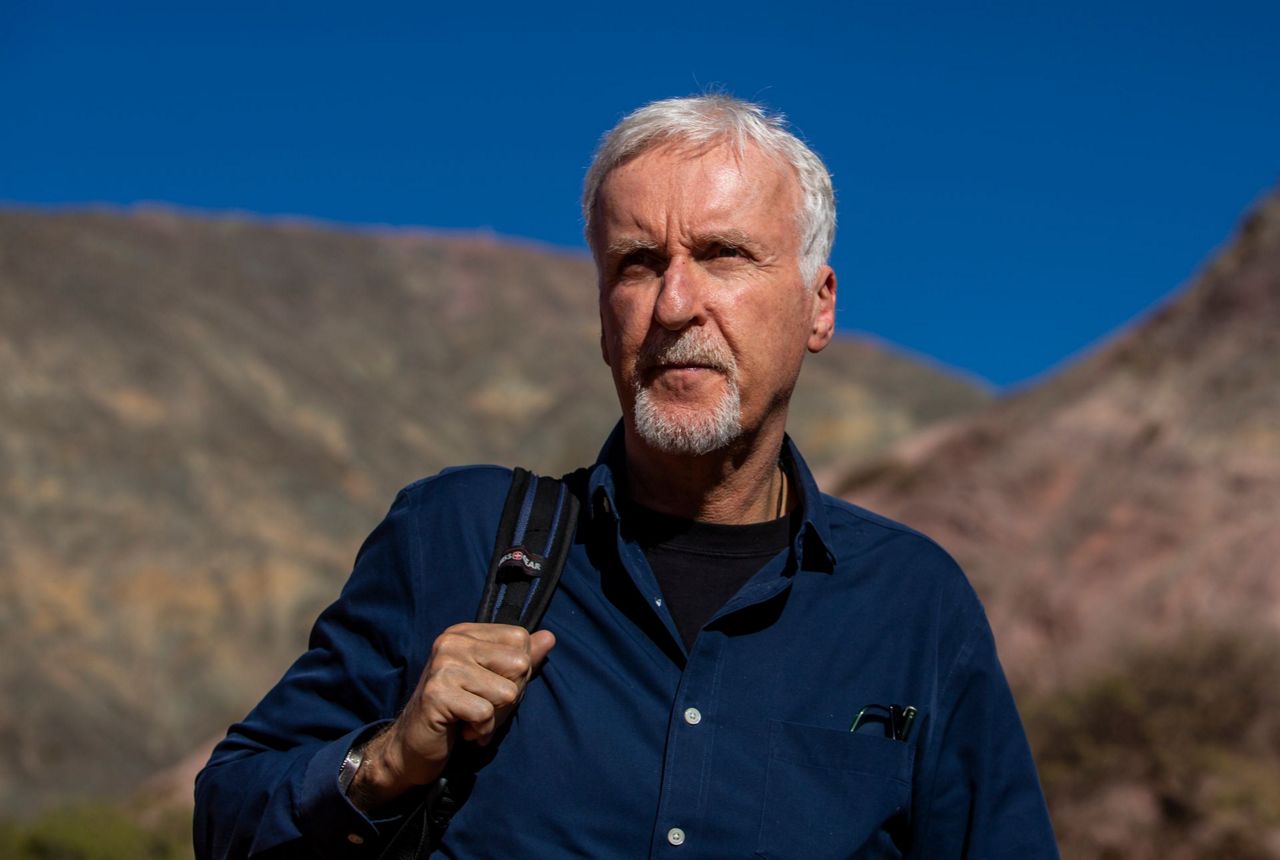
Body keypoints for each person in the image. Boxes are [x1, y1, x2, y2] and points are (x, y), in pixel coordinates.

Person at [195, 95, 1058, 858]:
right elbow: (229, 815)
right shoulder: (455, 539)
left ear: (818, 306)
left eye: (723, 254)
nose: (674, 305)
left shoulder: (913, 607)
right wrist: (388, 761)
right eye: (637, 264)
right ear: (604, 317)